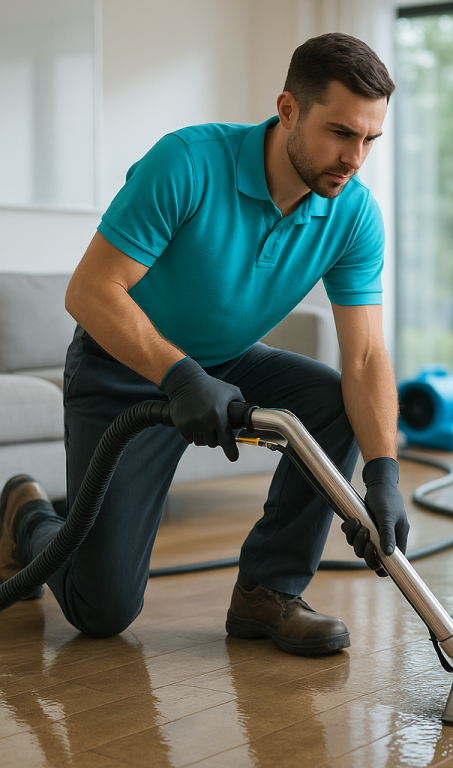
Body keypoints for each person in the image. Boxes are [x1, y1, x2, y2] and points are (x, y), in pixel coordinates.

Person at [0, 32, 409, 656]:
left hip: (228, 362)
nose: (354, 158)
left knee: (329, 398)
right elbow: (90, 291)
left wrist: (383, 472)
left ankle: (268, 591)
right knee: (100, 610)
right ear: (288, 109)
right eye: (340, 133)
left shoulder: (352, 214)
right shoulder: (188, 163)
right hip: (123, 368)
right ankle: (27, 512)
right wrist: (180, 376)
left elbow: (366, 357)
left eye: (370, 139)